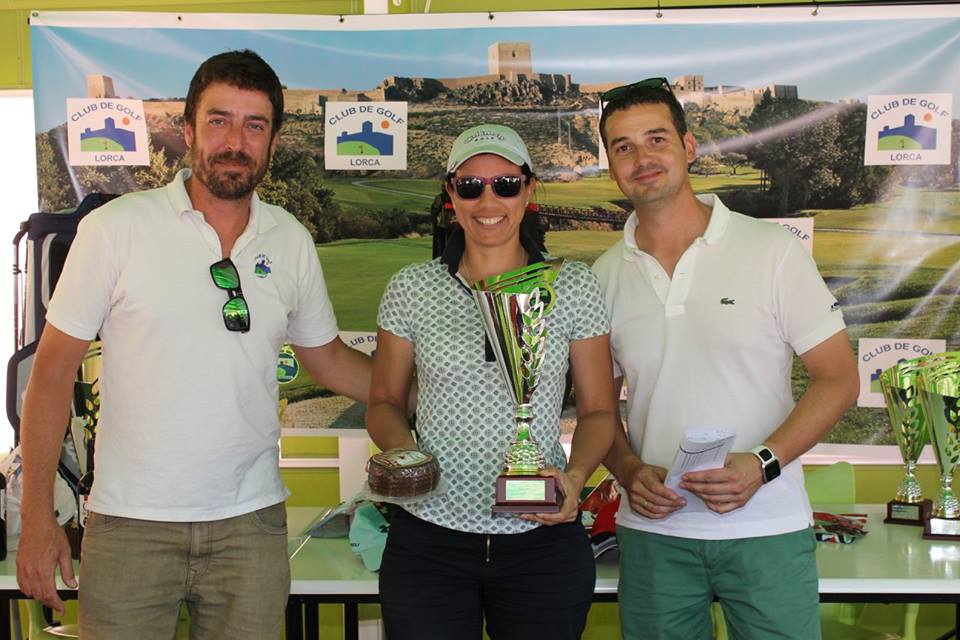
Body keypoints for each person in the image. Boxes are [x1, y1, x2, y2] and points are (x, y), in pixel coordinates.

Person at [16, 49, 373, 638]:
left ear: (273, 141)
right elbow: (51, 375)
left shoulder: (289, 239)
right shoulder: (114, 229)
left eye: (254, 125)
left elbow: (329, 359)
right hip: (130, 526)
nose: (235, 141)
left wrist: (421, 391)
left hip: (250, 528)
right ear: (187, 130)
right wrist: (37, 518)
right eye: (218, 120)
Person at [592, 78, 859, 639]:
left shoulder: (773, 250)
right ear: (611, 167)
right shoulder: (602, 276)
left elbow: (838, 379)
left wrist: (762, 463)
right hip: (656, 535)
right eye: (623, 147)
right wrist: (629, 471)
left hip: (767, 528)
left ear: (689, 147)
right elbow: (599, 410)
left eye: (657, 139)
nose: (642, 159)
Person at [367, 123, 617, 640]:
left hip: (542, 542)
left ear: (528, 191)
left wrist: (575, 479)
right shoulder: (412, 287)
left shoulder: (572, 285)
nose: (488, 201)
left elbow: (598, 411)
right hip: (429, 540)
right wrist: (407, 457)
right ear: (450, 194)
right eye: (470, 185)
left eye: (505, 185)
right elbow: (385, 400)